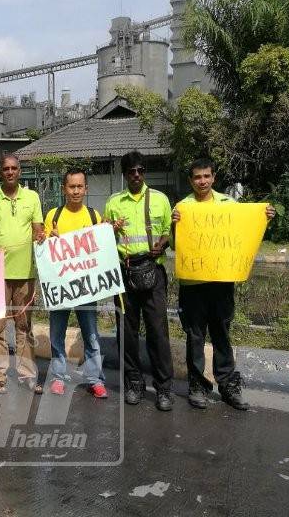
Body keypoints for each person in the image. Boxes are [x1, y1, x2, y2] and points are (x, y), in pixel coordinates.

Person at [171, 158, 276, 411]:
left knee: (221, 334)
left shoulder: (230, 205)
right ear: (190, 180)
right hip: (193, 284)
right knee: (195, 336)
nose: (202, 181)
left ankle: (228, 385)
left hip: (222, 283)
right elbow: (176, 246)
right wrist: (175, 225)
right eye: (197, 177)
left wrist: (265, 219)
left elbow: (241, 235)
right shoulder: (182, 208)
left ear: (214, 177)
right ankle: (198, 385)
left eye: (206, 176)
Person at [104, 150, 174, 411]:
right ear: (124, 174)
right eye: (131, 171)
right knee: (127, 333)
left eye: (140, 170)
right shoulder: (113, 203)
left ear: (145, 172)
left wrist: (162, 243)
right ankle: (134, 383)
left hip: (153, 272)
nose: (136, 175)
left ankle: (163, 389)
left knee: (158, 332)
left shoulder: (160, 199)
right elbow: (104, 240)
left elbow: (168, 231)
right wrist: (109, 230)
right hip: (124, 273)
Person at [0, 154, 45, 395]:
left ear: (20, 171)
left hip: (25, 274)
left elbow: (37, 231)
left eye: (14, 168)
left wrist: (41, 237)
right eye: (5, 168)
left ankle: (27, 375)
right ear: (0, 172)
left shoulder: (32, 197)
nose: (9, 172)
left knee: (24, 326)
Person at [44, 168, 107, 399]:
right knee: (57, 334)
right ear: (64, 189)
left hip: (87, 287)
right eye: (72, 186)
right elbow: (44, 249)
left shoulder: (94, 216)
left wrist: (107, 231)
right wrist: (48, 240)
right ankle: (58, 378)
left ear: (86, 189)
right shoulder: (53, 215)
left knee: (91, 335)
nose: (76, 191)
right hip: (61, 287)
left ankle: (95, 380)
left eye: (80, 186)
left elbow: (101, 250)